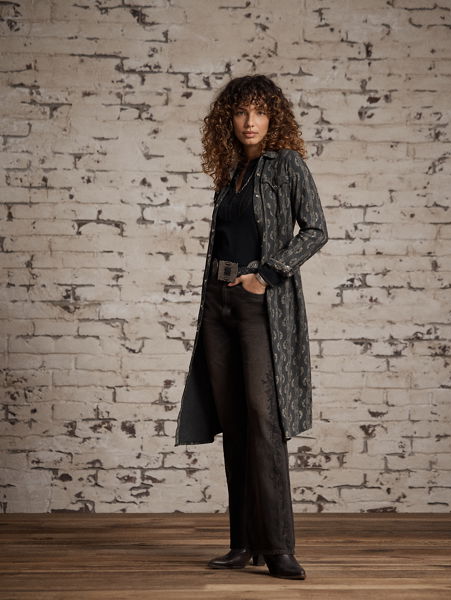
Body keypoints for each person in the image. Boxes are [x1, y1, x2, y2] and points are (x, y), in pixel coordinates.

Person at [174, 74, 329, 580]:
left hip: (259, 303)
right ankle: (242, 543)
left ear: (273, 117)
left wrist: (266, 275)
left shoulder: (287, 164)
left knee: (264, 420)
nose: (250, 121)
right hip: (218, 303)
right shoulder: (230, 172)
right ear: (230, 118)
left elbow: (316, 230)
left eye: (260, 111)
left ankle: (278, 547)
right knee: (234, 421)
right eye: (241, 111)